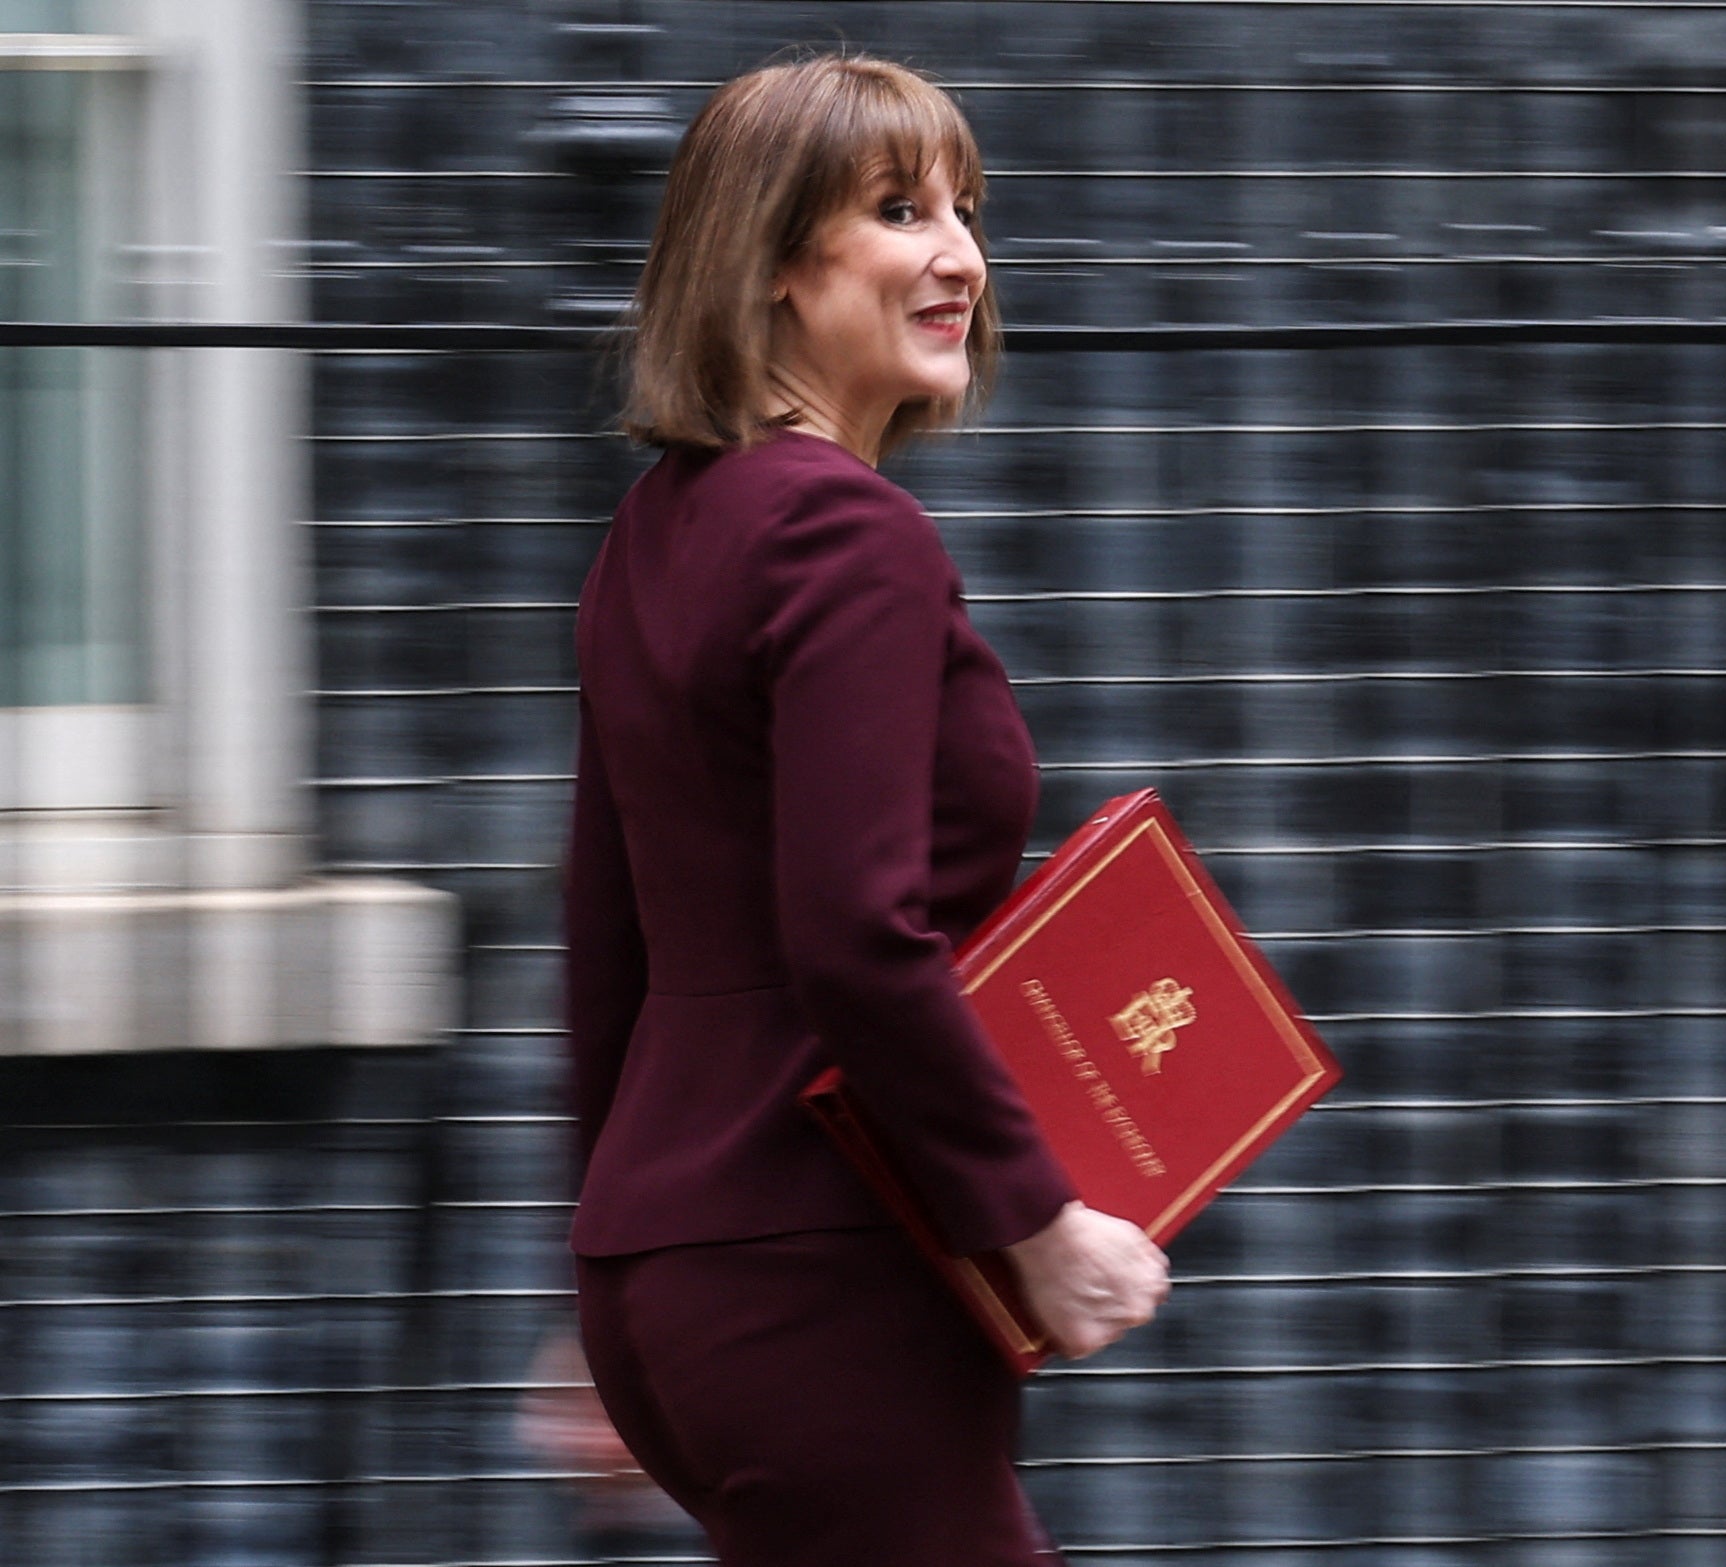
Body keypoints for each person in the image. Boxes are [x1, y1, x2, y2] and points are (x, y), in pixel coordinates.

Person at [562, 55, 1170, 1567]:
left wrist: (592, 1283)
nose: (959, 253)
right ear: (772, 265)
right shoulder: (846, 533)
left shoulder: (656, 531)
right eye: (899, 211)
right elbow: (856, 933)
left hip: (675, 1281)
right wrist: (1036, 1219)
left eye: (965, 208)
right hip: (823, 1271)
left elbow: (604, 950)